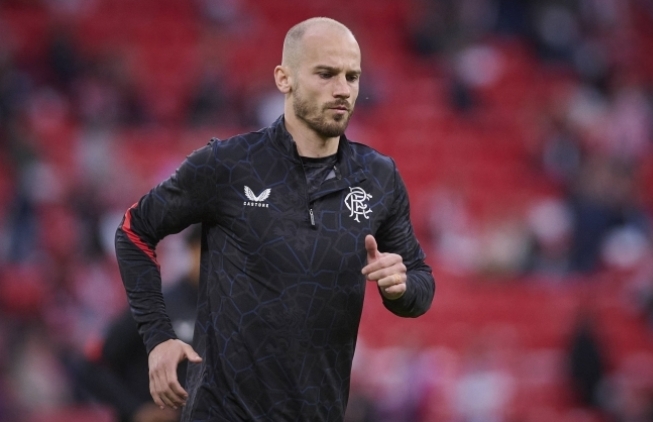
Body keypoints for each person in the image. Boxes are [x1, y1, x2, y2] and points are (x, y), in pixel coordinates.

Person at [115, 17, 435, 422]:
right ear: (284, 78)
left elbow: (420, 283)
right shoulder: (228, 165)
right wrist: (159, 337)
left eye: (352, 77)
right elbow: (134, 232)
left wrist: (400, 288)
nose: (343, 89)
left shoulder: (378, 177)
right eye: (326, 74)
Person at [80, 225, 202, 422]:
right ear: (193, 250)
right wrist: (135, 410)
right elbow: (94, 365)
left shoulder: (231, 312)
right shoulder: (157, 305)